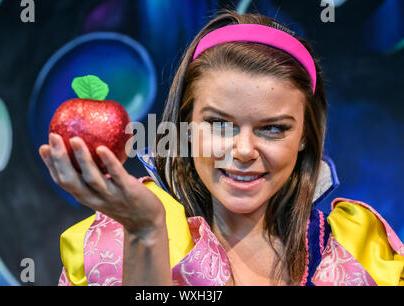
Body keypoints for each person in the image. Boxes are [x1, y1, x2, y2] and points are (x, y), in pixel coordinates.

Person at [39, 10, 404, 286]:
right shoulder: (112, 242)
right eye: (219, 125)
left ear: (305, 135)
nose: (244, 150)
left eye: (273, 128)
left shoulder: (359, 248)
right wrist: (145, 233)